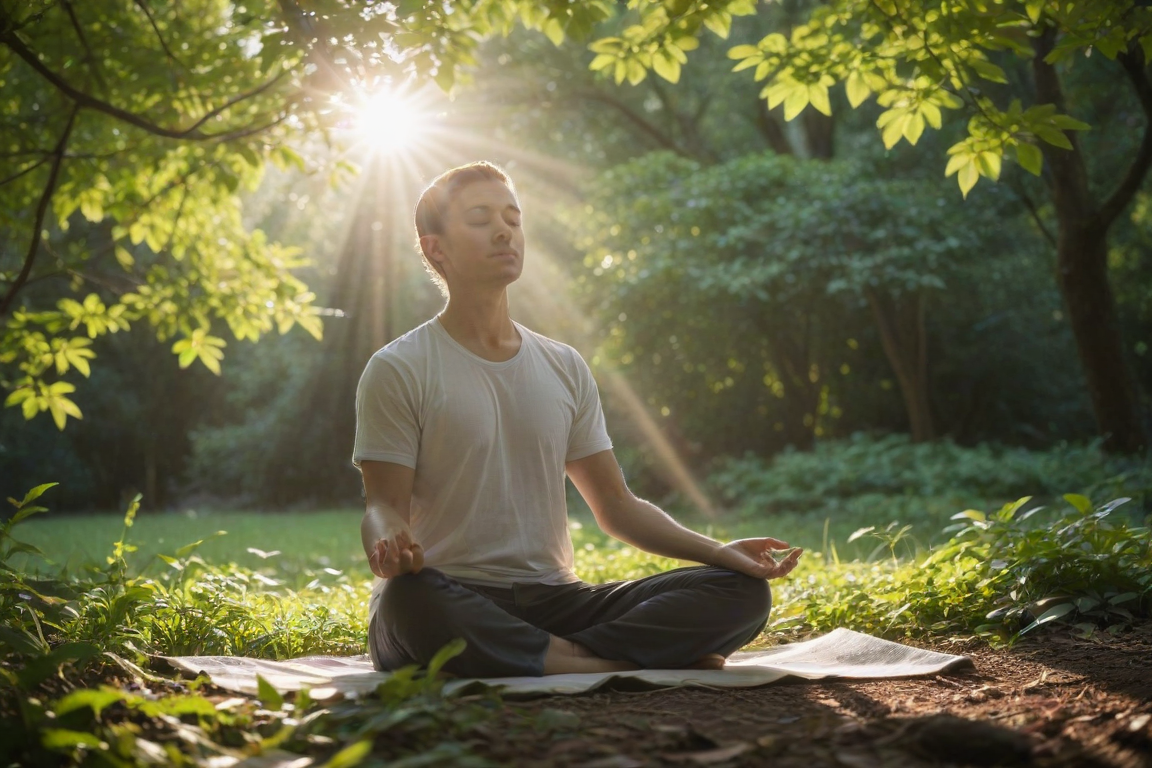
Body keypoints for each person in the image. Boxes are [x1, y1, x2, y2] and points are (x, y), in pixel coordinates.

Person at [354, 161, 803, 678]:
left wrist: (721, 553)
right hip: (449, 595)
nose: (504, 231)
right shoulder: (399, 367)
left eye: (512, 218)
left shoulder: (563, 365)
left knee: (741, 592)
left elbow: (617, 506)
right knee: (408, 601)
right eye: (480, 219)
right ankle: (612, 658)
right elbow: (384, 506)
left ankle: (554, 657)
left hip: (557, 603)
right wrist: (388, 543)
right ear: (436, 249)